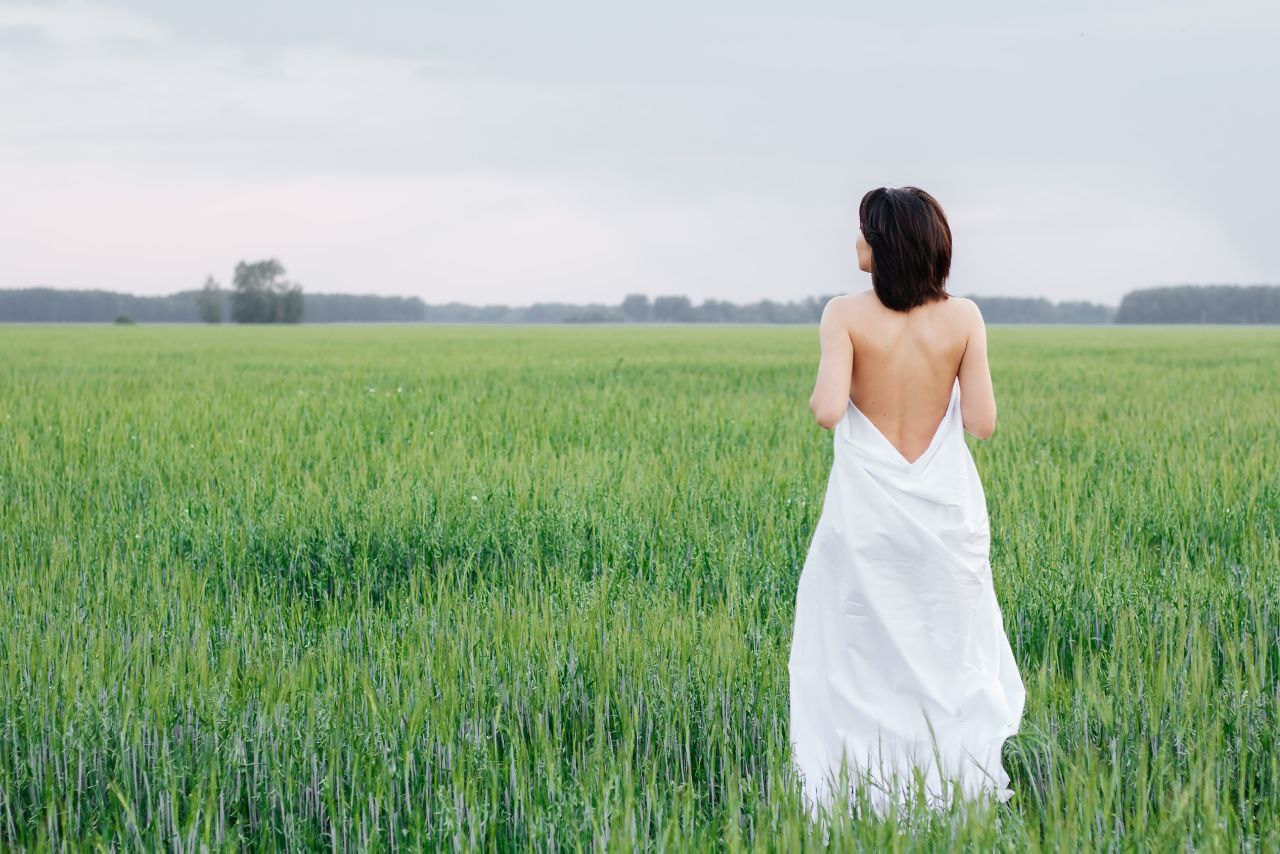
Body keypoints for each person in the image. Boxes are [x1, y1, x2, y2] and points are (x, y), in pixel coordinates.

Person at [787, 186, 1026, 824]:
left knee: (858, 654)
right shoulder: (964, 318)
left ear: (886, 246)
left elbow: (827, 410)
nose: (855, 242)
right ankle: (950, 786)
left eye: (864, 232)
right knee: (945, 650)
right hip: (944, 512)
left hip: (867, 512)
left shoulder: (843, 314)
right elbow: (981, 422)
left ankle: (861, 790)